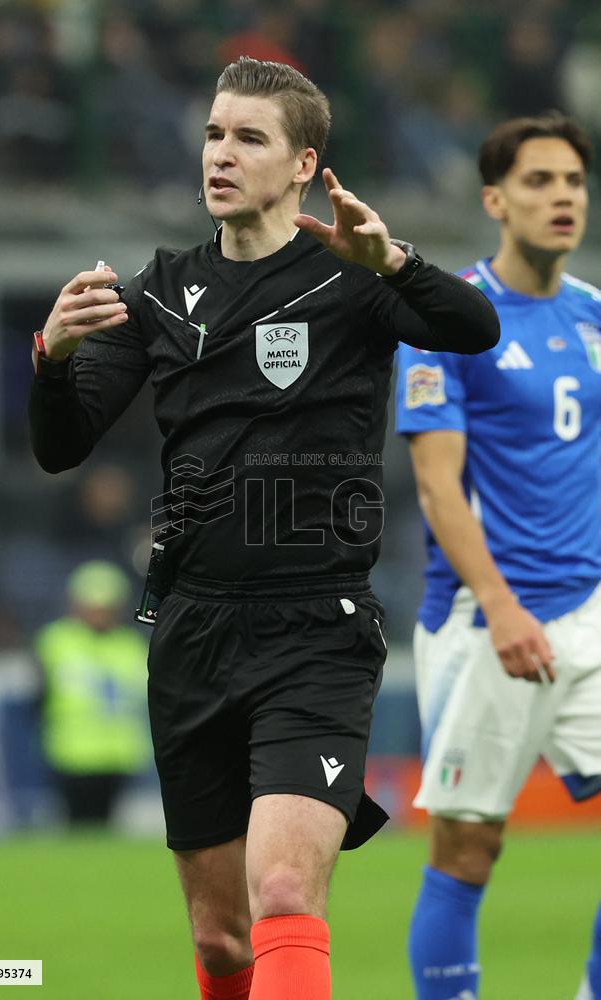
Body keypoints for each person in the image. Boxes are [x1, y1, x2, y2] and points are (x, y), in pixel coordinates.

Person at [29, 57, 498, 1000]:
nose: (222, 154)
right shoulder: (158, 292)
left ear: (302, 165)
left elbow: (475, 325)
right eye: (213, 133)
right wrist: (53, 355)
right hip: (194, 632)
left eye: (249, 138)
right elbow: (61, 445)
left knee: (285, 886)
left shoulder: (352, 278)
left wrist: (395, 259)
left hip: (315, 628)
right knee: (221, 940)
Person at [396, 111, 601, 1000]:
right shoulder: (451, 321)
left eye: (573, 182)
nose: (561, 199)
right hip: (488, 622)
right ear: (494, 200)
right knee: (468, 845)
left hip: (588, 612)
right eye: (538, 182)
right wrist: (505, 605)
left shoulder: (598, 316)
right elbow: (439, 489)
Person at [35, 561, 151, 824]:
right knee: (76, 824)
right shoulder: (55, 640)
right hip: (71, 751)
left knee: (107, 826)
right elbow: (39, 696)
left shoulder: (130, 644)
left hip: (119, 751)